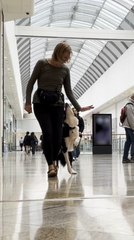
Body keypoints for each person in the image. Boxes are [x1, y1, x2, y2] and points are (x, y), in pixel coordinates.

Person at [24, 41, 94, 177]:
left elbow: (69, 92)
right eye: (65, 56)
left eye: (68, 57)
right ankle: (51, 165)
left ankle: (55, 162)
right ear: (58, 52)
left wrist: (79, 107)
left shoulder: (65, 70)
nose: (67, 59)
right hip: (40, 104)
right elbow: (31, 83)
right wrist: (27, 102)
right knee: (48, 133)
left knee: (57, 136)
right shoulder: (42, 64)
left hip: (57, 105)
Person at [122, 93, 134, 163]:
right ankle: (133, 157)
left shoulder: (130, 105)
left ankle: (125, 158)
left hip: (128, 126)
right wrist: (133, 128)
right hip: (129, 126)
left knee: (128, 141)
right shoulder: (129, 105)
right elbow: (131, 118)